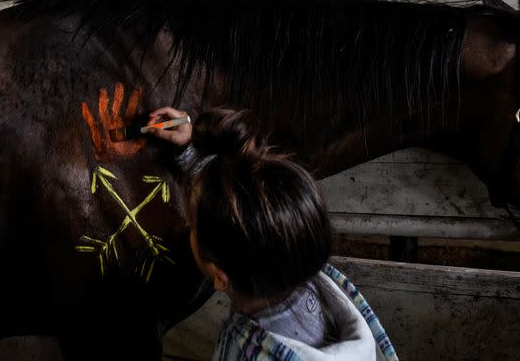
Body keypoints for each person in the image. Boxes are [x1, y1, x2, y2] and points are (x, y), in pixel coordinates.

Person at [145, 106, 398, 361]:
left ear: (219, 278)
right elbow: (247, 206)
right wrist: (190, 151)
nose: (190, 229)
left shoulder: (243, 353)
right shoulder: (295, 266)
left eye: (194, 225)